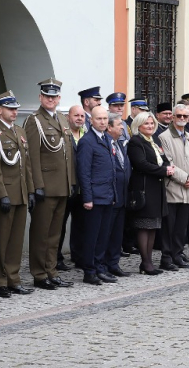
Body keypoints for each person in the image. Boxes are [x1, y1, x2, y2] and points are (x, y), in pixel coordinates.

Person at [23, 79, 76, 291]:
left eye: (54, 96)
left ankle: (52, 271)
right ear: (40, 97)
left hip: (61, 186)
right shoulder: (34, 121)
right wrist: (36, 186)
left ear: (59, 98)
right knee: (41, 234)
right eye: (47, 96)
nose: (51, 99)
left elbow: (68, 154)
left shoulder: (62, 119)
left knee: (55, 234)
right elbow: (32, 157)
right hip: (45, 186)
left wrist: (71, 182)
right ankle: (39, 274)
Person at [0, 91, 36, 298]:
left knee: (15, 240)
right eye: (10, 109)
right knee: (2, 240)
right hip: (5, 194)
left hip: (21, 193)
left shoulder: (19, 131)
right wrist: (1, 195)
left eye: (15, 109)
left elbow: (27, 165)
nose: (14, 112)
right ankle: (0, 282)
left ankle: (14, 279)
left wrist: (30, 191)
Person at [127, 112, 174, 274]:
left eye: (152, 123)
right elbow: (141, 164)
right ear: (138, 125)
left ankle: (148, 262)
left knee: (153, 225)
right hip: (144, 188)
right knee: (144, 226)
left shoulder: (154, 140)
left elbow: (163, 158)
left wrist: (168, 167)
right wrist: (163, 170)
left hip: (157, 187)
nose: (150, 126)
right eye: (146, 124)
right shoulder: (135, 141)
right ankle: (145, 263)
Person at [76, 106, 117, 286]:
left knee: (103, 235)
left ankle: (100, 268)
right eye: (98, 119)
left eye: (104, 119)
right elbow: (83, 172)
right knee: (91, 236)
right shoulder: (87, 141)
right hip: (95, 196)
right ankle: (89, 270)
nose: (102, 122)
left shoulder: (107, 138)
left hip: (107, 194)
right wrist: (87, 198)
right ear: (90, 120)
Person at [157, 104, 189, 268]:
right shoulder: (164, 137)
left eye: (185, 116)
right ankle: (166, 257)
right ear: (173, 117)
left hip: (188, 189)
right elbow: (168, 162)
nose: (182, 119)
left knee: (181, 226)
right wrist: (185, 178)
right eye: (179, 116)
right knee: (169, 226)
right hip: (173, 188)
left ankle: (177, 254)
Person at [56, 104, 86, 271]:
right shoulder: (63, 134)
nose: (79, 118)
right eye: (76, 115)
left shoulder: (86, 134)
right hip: (66, 186)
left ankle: (78, 256)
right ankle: (57, 257)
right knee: (60, 225)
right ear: (68, 117)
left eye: (82, 116)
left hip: (82, 187)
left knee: (80, 224)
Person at [104, 113, 131, 277]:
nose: (122, 127)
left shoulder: (119, 144)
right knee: (106, 233)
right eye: (119, 124)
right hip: (109, 196)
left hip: (122, 195)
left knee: (116, 234)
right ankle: (102, 265)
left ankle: (113, 264)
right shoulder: (105, 144)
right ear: (109, 127)